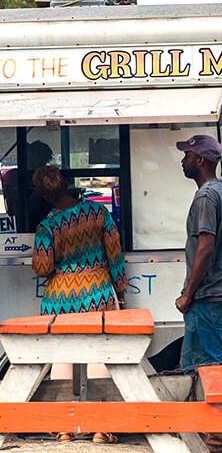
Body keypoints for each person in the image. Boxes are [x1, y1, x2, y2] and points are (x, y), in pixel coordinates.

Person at [32, 165, 128, 444]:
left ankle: (64, 429)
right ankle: (100, 428)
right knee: (99, 356)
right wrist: (121, 296)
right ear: (66, 184)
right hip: (97, 293)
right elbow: (115, 257)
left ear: (45, 195)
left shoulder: (46, 226)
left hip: (59, 298)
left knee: (62, 357)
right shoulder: (99, 214)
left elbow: (42, 267)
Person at [174, 135, 222, 453]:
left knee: (208, 370)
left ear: (200, 160)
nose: (183, 160)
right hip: (219, 293)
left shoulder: (205, 197)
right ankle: (200, 437)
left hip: (209, 295)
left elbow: (206, 246)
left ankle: (218, 443)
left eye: (187, 155)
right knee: (192, 368)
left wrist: (188, 293)